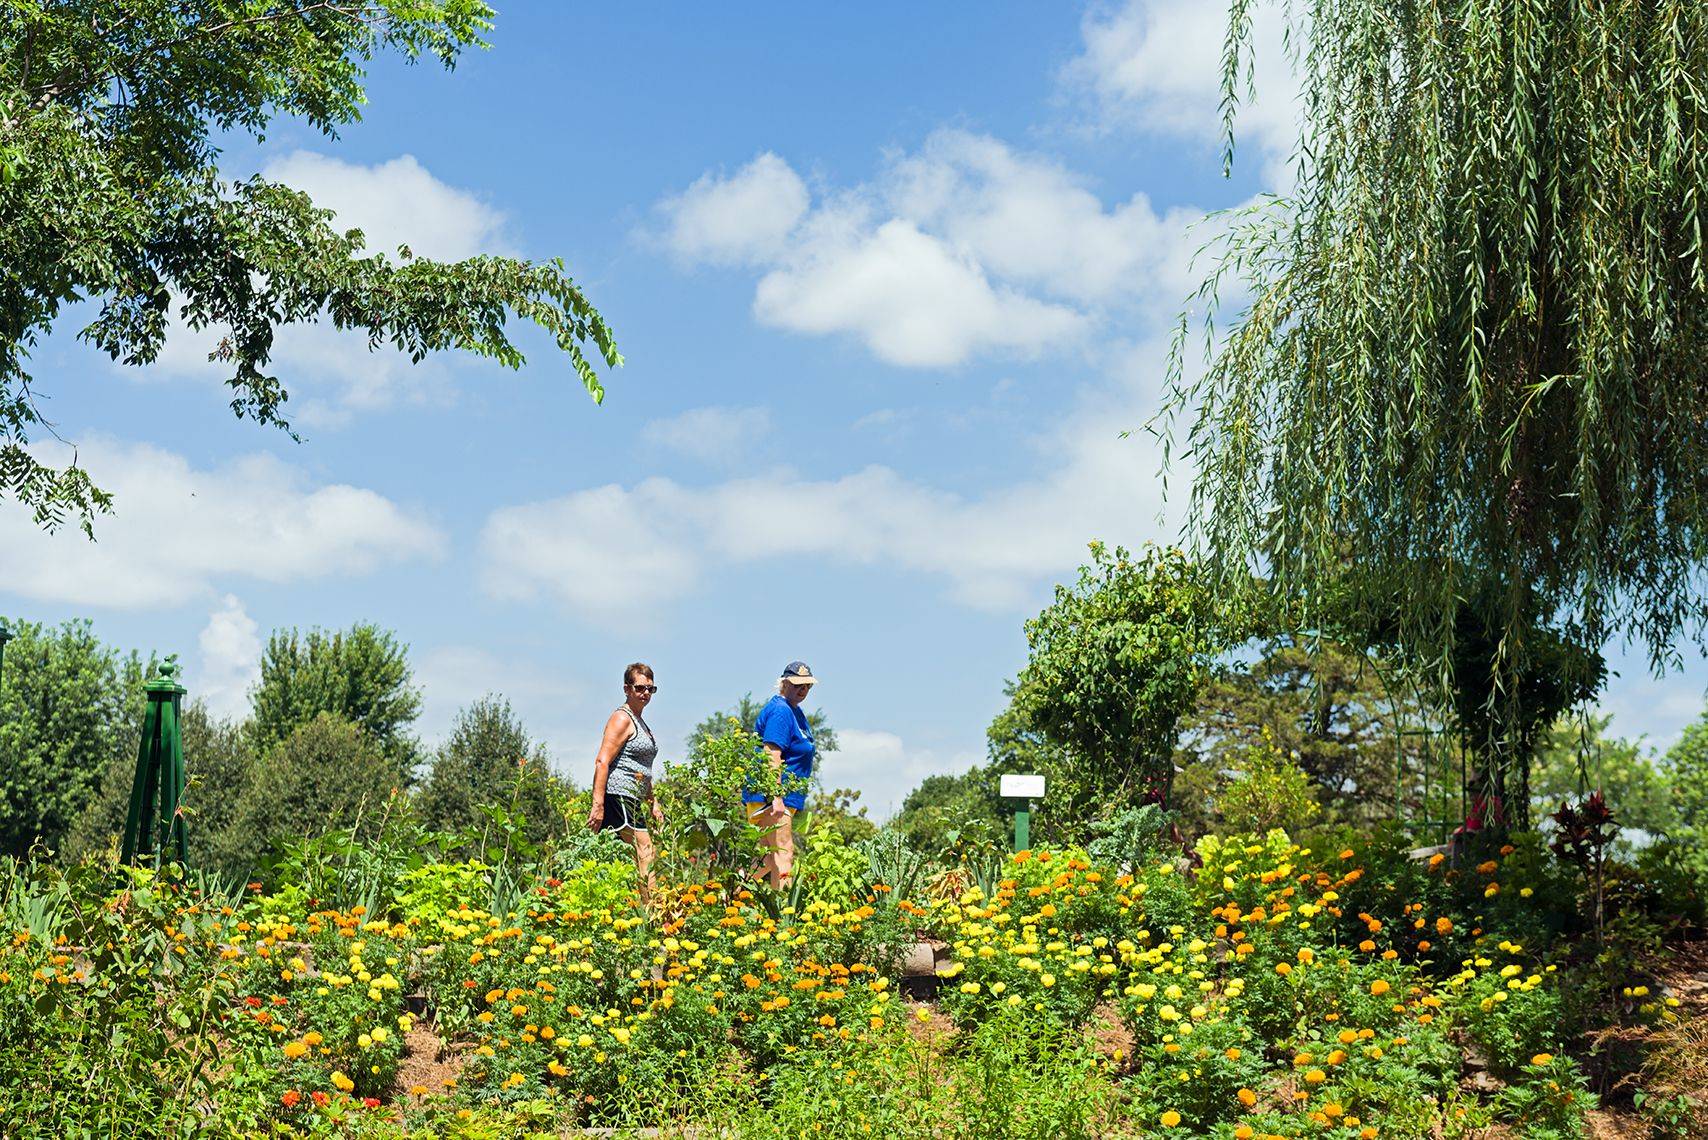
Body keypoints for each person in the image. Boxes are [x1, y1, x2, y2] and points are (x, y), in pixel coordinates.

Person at [588, 662, 665, 905]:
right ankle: (654, 913)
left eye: (650, 689)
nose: (645, 694)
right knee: (645, 850)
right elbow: (602, 761)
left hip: (634, 796)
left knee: (615, 857)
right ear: (627, 688)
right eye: (640, 688)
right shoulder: (622, 719)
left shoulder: (640, 722)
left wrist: (654, 802)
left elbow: (643, 770)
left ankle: (618, 909)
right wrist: (598, 804)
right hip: (619, 793)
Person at [743, 661, 819, 888]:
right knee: (785, 853)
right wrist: (775, 796)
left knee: (769, 857)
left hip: (786, 796)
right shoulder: (781, 711)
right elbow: (771, 754)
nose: (802, 690)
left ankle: (730, 896)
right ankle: (784, 918)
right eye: (797, 685)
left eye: (807, 685)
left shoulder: (795, 712)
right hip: (774, 797)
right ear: (784, 683)